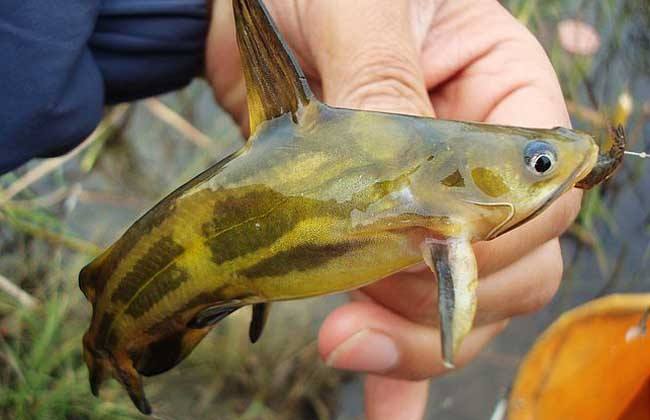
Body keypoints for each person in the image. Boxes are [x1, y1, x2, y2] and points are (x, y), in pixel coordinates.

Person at [2, 1, 582, 419]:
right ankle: (109, 354)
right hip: (127, 298)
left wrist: (208, 20)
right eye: (538, 162)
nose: (561, 164)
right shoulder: (445, 218)